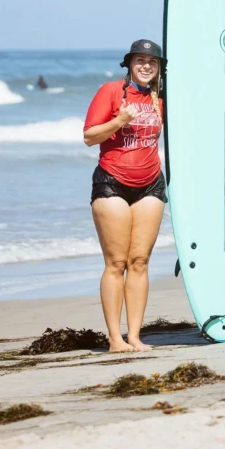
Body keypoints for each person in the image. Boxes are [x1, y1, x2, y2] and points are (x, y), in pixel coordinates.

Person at [83, 40, 167, 352]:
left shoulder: (161, 98)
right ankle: (115, 339)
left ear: (159, 68)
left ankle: (134, 336)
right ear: (129, 64)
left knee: (140, 261)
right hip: (112, 182)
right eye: (140, 60)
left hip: (151, 184)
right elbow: (89, 137)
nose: (146, 66)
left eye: (152, 62)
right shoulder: (111, 91)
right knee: (116, 262)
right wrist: (119, 121)